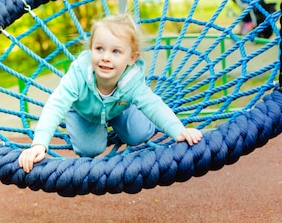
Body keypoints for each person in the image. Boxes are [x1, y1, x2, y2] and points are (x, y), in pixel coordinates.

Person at [18, 13, 203, 173]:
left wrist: (179, 131)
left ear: (132, 58)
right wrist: (39, 144)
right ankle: (97, 126)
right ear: (91, 49)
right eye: (99, 49)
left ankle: (123, 116)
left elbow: (153, 104)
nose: (106, 57)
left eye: (116, 51)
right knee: (90, 149)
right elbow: (55, 105)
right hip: (84, 113)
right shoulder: (79, 74)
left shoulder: (132, 80)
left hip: (119, 108)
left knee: (139, 135)